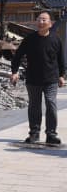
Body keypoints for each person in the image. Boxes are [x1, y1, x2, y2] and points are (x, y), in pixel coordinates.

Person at [10, 11, 65, 145]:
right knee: (34, 106)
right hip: (33, 78)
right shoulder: (30, 39)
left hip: (51, 78)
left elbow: (61, 59)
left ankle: (51, 134)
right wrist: (14, 71)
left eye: (44, 20)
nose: (41, 22)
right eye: (39, 19)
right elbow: (18, 56)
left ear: (50, 24)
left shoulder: (55, 39)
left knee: (51, 104)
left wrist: (62, 75)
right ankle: (34, 133)